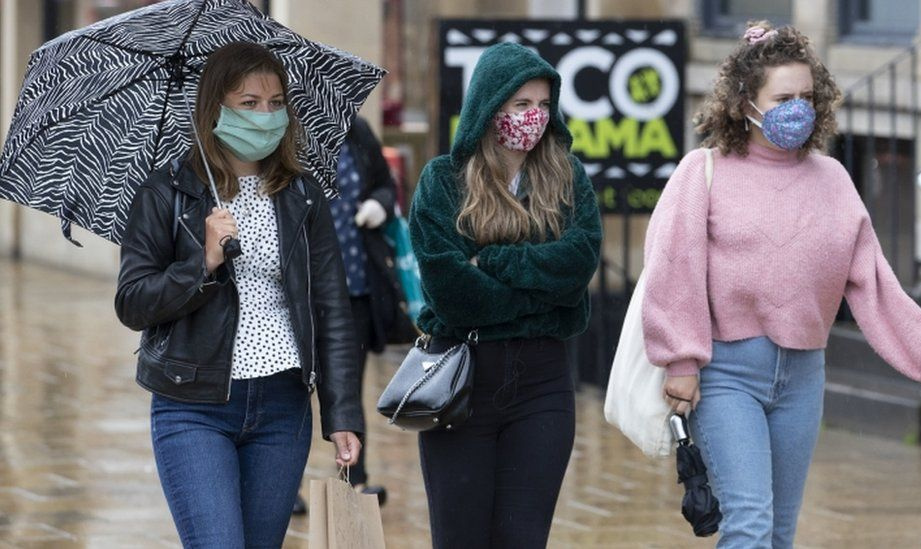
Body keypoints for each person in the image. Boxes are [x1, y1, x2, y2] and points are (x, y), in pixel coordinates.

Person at [641, 21, 921, 548]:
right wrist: (680, 362)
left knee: (781, 534)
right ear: (745, 103)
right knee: (749, 526)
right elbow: (673, 269)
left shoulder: (833, 179)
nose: (799, 108)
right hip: (726, 375)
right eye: (784, 97)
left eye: (807, 97)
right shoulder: (703, 172)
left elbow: (872, 281)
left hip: (804, 377)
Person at [114, 41, 363, 547]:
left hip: (283, 405)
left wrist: (342, 416)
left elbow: (332, 309)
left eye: (275, 103)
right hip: (193, 403)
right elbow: (133, 302)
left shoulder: (302, 194)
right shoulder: (168, 192)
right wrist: (202, 262)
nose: (265, 115)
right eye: (249, 103)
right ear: (216, 109)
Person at [408, 42, 603, 549]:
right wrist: (545, 295)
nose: (534, 117)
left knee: (523, 537)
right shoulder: (442, 182)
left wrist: (492, 261)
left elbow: (579, 264)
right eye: (521, 104)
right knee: (460, 537)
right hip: (462, 380)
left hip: (544, 384)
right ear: (489, 107)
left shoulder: (566, 177)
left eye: (543, 105)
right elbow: (453, 294)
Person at [293, 116, 406, 514]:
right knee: (293, 392)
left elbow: (385, 184)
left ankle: (353, 479)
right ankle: (286, 481)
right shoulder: (281, 137)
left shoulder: (356, 131)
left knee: (347, 384)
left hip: (354, 286)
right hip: (298, 290)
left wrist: (379, 203)